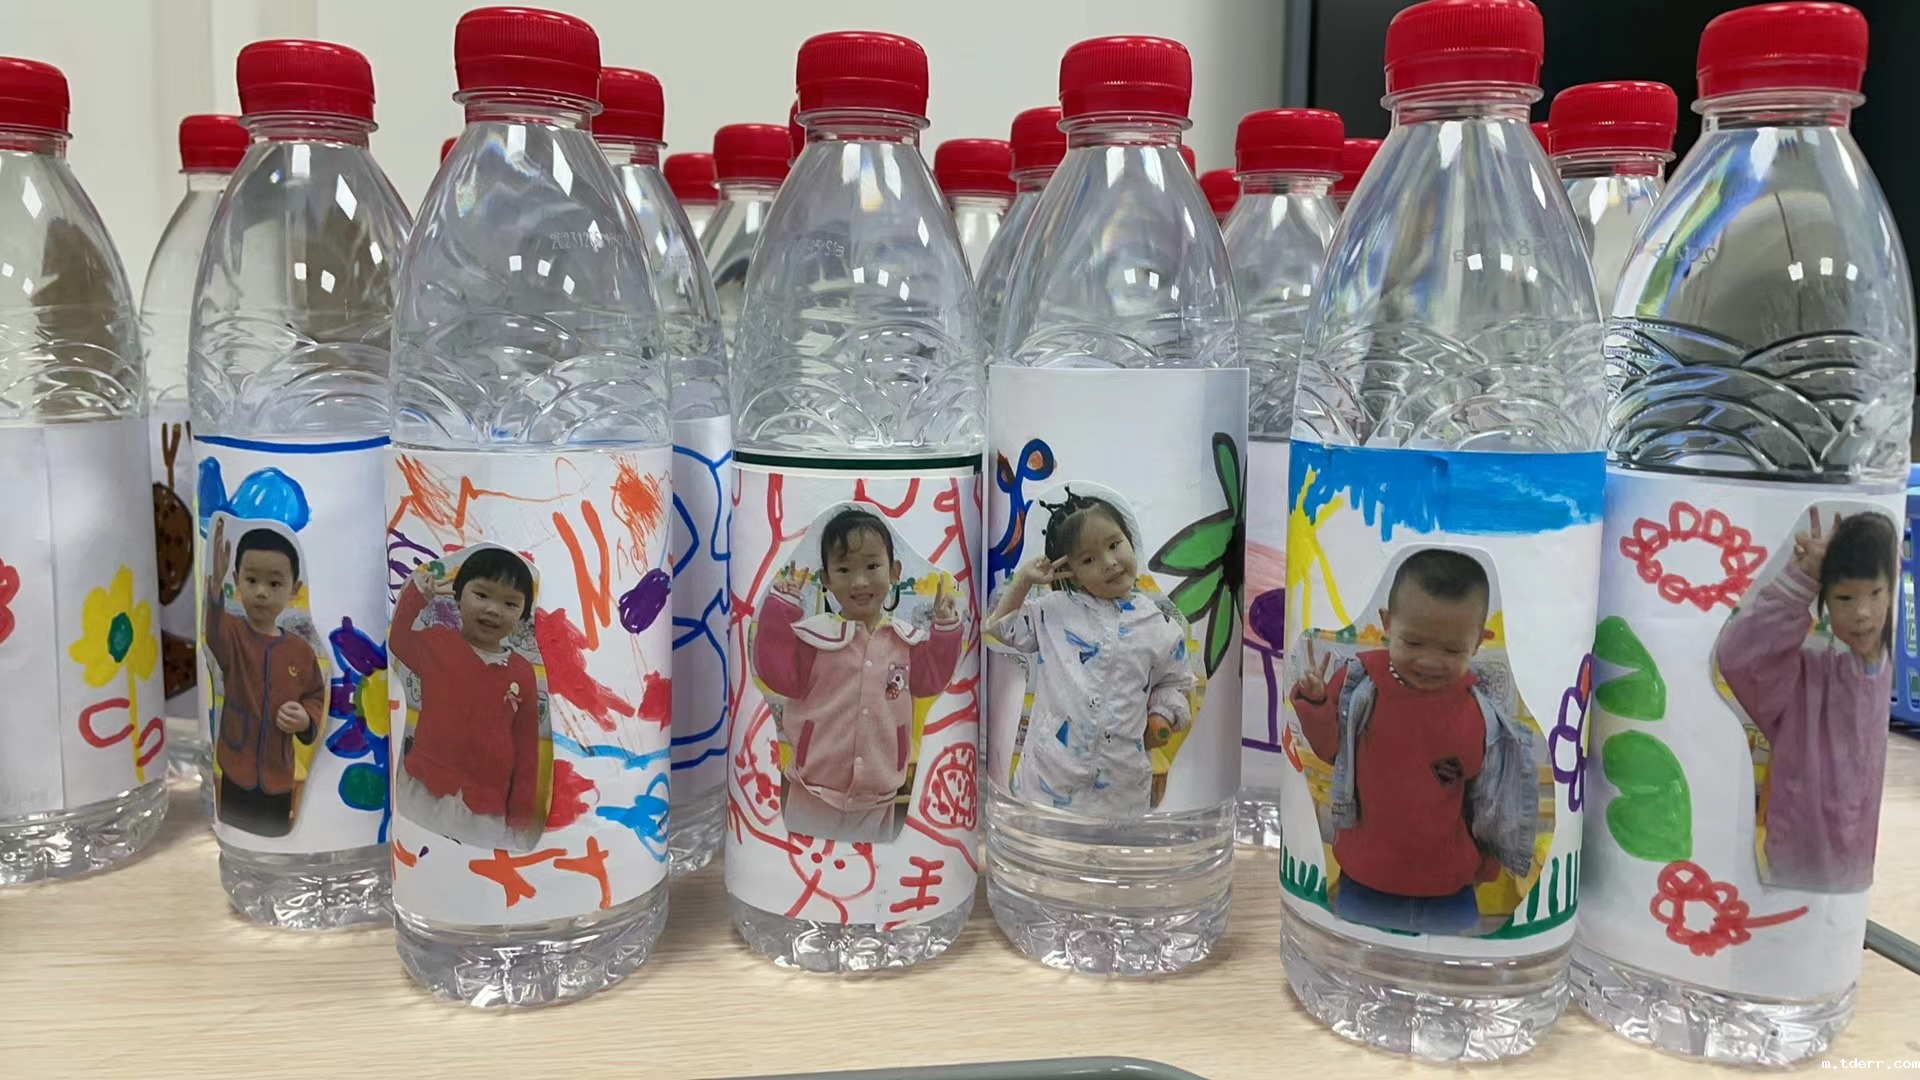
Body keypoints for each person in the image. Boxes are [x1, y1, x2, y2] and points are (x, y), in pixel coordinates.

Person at [1289, 548, 1536, 935]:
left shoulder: (1482, 716)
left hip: (1450, 891)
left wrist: (1486, 865)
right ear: (1387, 624)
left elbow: (1488, 801)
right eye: (1414, 643)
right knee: (1361, 963)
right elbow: (1329, 748)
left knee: (1449, 966)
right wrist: (1317, 702)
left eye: (1452, 649)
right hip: (1365, 882)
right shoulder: (1359, 685)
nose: (1431, 661)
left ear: (1478, 642)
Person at [754, 507, 963, 842]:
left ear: (894, 571)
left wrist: (945, 627)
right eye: (844, 569)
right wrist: (781, 608)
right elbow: (776, 673)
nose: (860, 581)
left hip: (878, 796)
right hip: (813, 792)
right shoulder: (815, 638)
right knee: (808, 864)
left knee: (872, 866)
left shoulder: (905, 642)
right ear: (826, 579)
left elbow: (932, 681)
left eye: (872, 566)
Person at [1717, 509, 1895, 893]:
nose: (1862, 613)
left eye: (1875, 593)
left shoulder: (1886, 674)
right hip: (1792, 877)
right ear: (1825, 603)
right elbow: (1739, 658)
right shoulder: (1807, 681)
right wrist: (1803, 580)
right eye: (1845, 597)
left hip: (1854, 881)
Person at [988, 489, 1195, 819]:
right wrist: (1024, 580)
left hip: (1121, 788)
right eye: (1088, 560)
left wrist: (1162, 716)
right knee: (1047, 846)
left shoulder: (1159, 626)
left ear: (1131, 541)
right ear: (1069, 571)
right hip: (1047, 783)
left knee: (1112, 849)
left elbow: (1175, 683)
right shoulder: (1055, 611)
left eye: (1114, 545)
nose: (1109, 563)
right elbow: (1003, 627)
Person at [391, 546, 544, 851]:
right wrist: (417, 596)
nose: (494, 610)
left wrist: (520, 819)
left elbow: (527, 751)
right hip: (423, 789)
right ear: (459, 596)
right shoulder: (437, 643)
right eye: (482, 595)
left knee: (469, 870)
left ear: (524, 614)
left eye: (510, 603)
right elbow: (398, 640)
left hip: (485, 811)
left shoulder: (522, 673)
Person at [205, 518, 324, 837]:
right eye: (251, 580)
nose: (260, 592)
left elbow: (314, 694)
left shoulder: (300, 651)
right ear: (236, 580)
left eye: (274, 584)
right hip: (236, 766)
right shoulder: (231, 633)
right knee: (236, 831)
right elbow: (212, 631)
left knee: (276, 835)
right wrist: (214, 585)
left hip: (279, 774)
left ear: (293, 589)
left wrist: (305, 719)